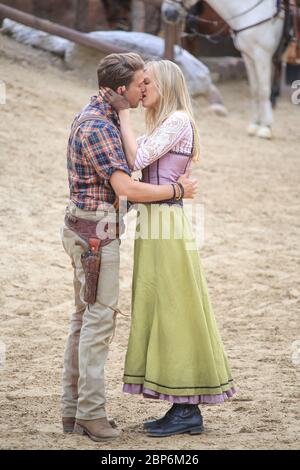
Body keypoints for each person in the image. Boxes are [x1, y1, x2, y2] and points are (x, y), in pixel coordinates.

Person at [60, 52, 197, 442]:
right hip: (96, 234)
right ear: (122, 89)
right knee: (99, 322)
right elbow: (126, 188)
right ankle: (90, 414)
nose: (144, 90)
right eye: (140, 83)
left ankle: (73, 413)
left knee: (83, 319)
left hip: (88, 227)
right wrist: (177, 190)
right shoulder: (100, 126)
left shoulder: (94, 115)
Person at [106, 59, 236, 438]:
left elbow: (138, 160)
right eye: (139, 83)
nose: (141, 88)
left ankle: (188, 409)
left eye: (147, 83)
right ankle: (179, 405)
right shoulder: (166, 122)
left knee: (175, 308)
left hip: (166, 222)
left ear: (164, 84)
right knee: (162, 306)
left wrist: (124, 114)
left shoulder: (178, 119)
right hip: (155, 222)